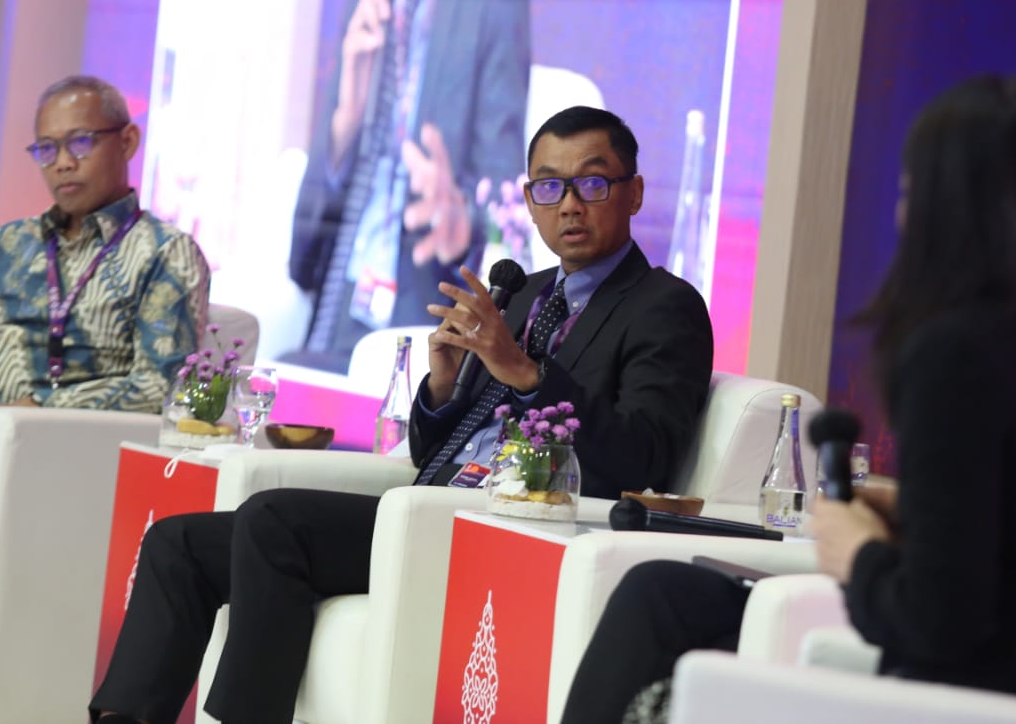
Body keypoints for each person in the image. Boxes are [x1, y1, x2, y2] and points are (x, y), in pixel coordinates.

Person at [559, 76, 1016, 723]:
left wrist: (857, 553)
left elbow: (939, 623)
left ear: (940, 208)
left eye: (906, 192)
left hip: (1004, 697)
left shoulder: (955, 351)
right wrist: (920, 506)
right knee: (668, 592)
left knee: (657, 599)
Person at [89, 106, 714, 724]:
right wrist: (441, 386)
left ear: (633, 193)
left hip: (505, 525)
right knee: (177, 543)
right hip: (431, 505)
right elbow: (431, 451)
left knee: (273, 520)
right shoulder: (524, 293)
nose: (570, 204)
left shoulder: (665, 307)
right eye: (550, 186)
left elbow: (644, 456)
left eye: (593, 183)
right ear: (529, 201)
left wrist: (527, 373)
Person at [287, 0, 531, 372]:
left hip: (422, 289)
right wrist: (347, 115)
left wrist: (462, 211)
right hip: (345, 290)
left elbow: (501, 154)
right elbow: (303, 256)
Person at [0, 75, 209, 496]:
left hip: (47, 441)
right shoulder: (9, 243)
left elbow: (161, 386)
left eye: (80, 142)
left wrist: (39, 409)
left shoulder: (165, 252)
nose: (62, 162)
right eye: (46, 149)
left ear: (127, 142)